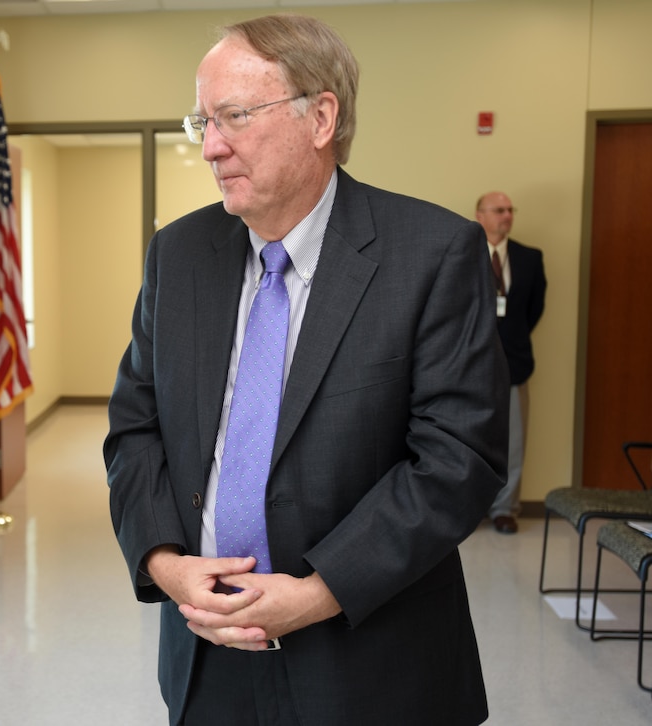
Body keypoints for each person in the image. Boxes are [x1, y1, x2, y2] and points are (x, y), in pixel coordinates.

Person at [104, 14, 508, 726]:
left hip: (372, 656)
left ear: (321, 117)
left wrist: (318, 592)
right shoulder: (179, 255)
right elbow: (134, 431)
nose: (212, 147)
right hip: (207, 653)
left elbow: (457, 460)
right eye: (203, 121)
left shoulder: (434, 254)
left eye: (233, 117)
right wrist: (166, 564)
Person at [475, 192, 547, 534]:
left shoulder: (530, 258)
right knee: (468, 437)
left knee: (514, 441)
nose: (507, 215)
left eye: (509, 210)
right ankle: (468, 510)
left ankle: (505, 509)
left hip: (515, 363)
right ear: (480, 215)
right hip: (470, 364)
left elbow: (533, 310)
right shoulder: (464, 252)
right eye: (499, 210)